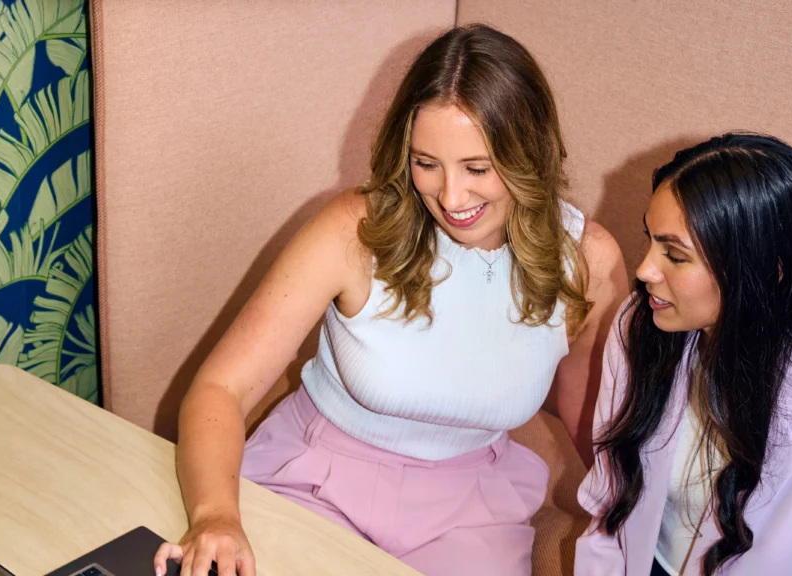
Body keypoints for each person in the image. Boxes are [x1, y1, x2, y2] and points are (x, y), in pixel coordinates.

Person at [154, 24, 628, 576]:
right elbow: (221, 388)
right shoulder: (352, 231)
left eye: (477, 168)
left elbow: (594, 422)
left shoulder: (587, 260)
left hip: (472, 510)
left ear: (531, 155)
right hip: (317, 478)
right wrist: (216, 515)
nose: (451, 197)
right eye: (426, 163)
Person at [575, 133, 792, 576]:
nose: (644, 270)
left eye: (674, 254)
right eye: (651, 240)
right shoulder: (641, 327)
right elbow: (608, 503)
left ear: (770, 270)